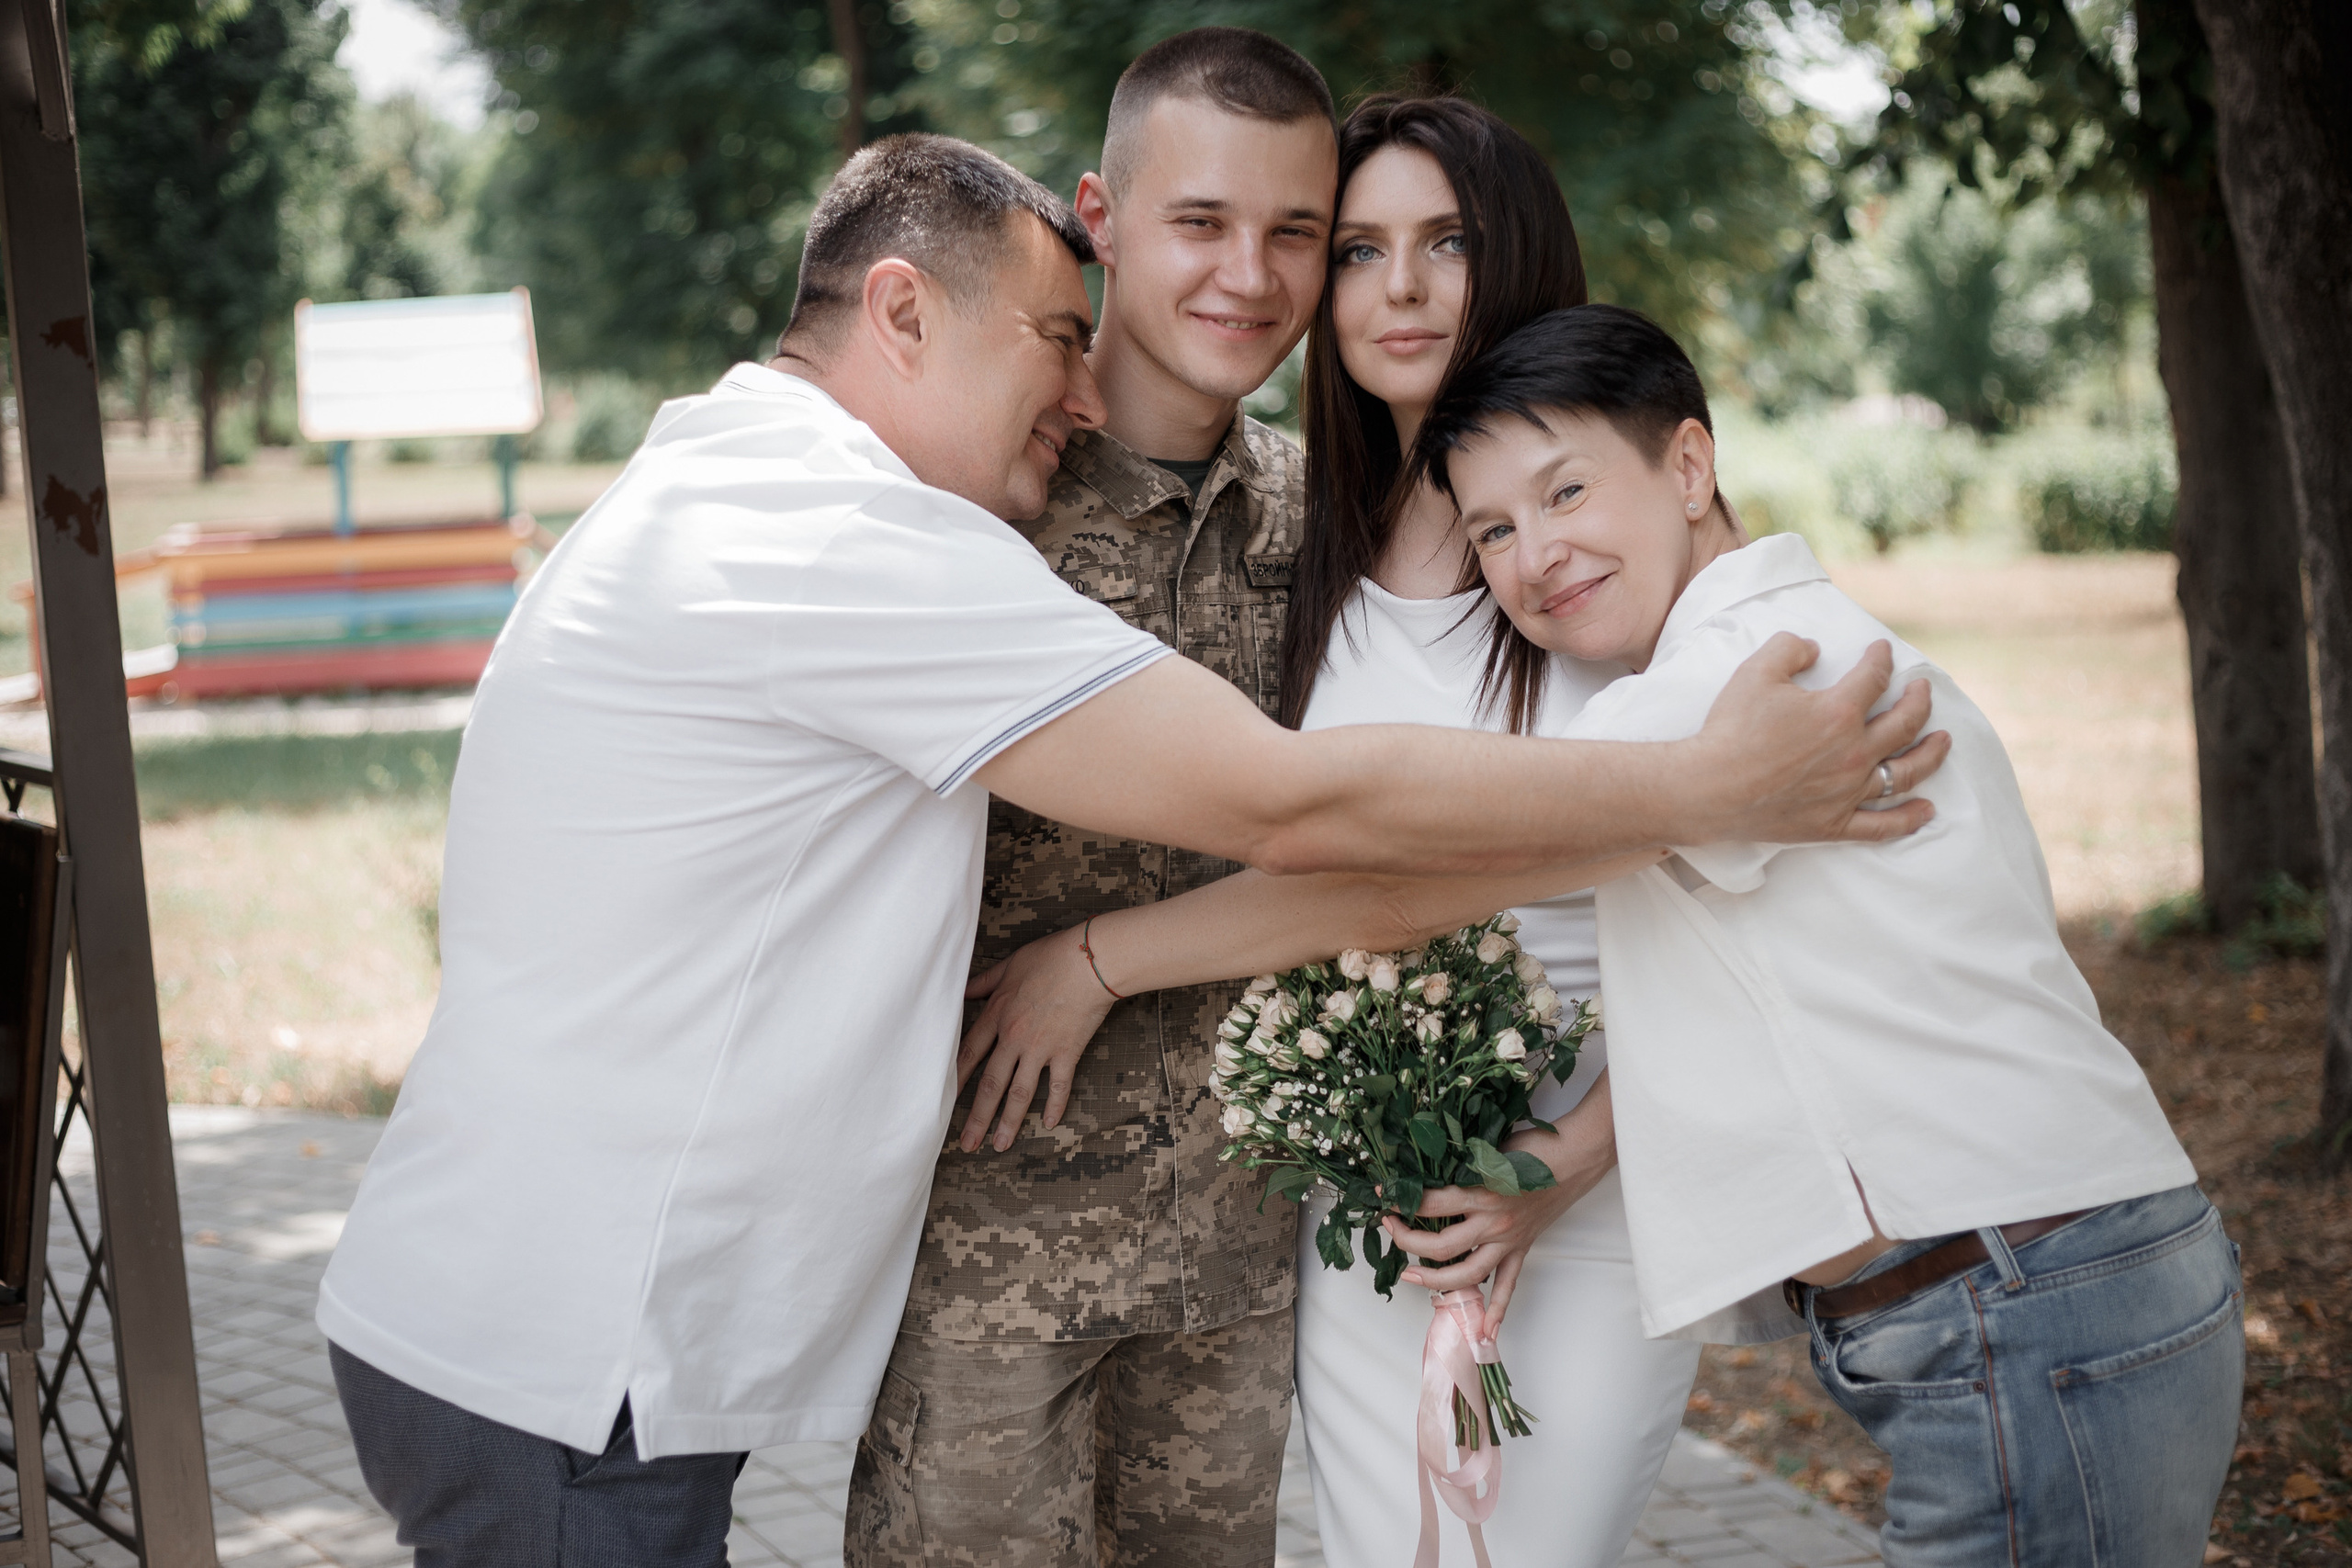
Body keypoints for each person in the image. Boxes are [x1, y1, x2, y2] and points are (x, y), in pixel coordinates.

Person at [313, 135, 1940, 1565]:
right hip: (564, 1359)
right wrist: (1713, 786)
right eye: (1055, 336)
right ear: (900, 312)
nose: (1085, 391)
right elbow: (1286, 806)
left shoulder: (750, 489)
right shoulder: (837, 542)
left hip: (567, 1339)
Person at [956, 97, 1860, 1568]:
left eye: (1448, 243)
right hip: (1367, 1208)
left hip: (1590, 1193)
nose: (1403, 288)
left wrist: (1558, 1168)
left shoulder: (1593, 550)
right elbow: (1321, 861)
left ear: (1519, 260)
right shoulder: (1308, 543)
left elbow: (1742, 925)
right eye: (1361, 249)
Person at [1419, 301, 2240, 1566]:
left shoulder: (1745, 679)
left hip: (2026, 1306)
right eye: (1493, 531)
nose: (1534, 554)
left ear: (1689, 465)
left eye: (1566, 490)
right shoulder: (1772, 648)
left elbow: (1405, 849)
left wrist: (1105, 962)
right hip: (2040, 1291)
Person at [848, 31, 1337, 1568]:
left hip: (1235, 1270)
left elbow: (1375, 839)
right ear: (1100, 215)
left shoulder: (1333, 523)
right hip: (976, 1264)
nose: (1249, 277)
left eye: (1294, 233)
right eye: (1200, 221)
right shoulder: (969, 503)